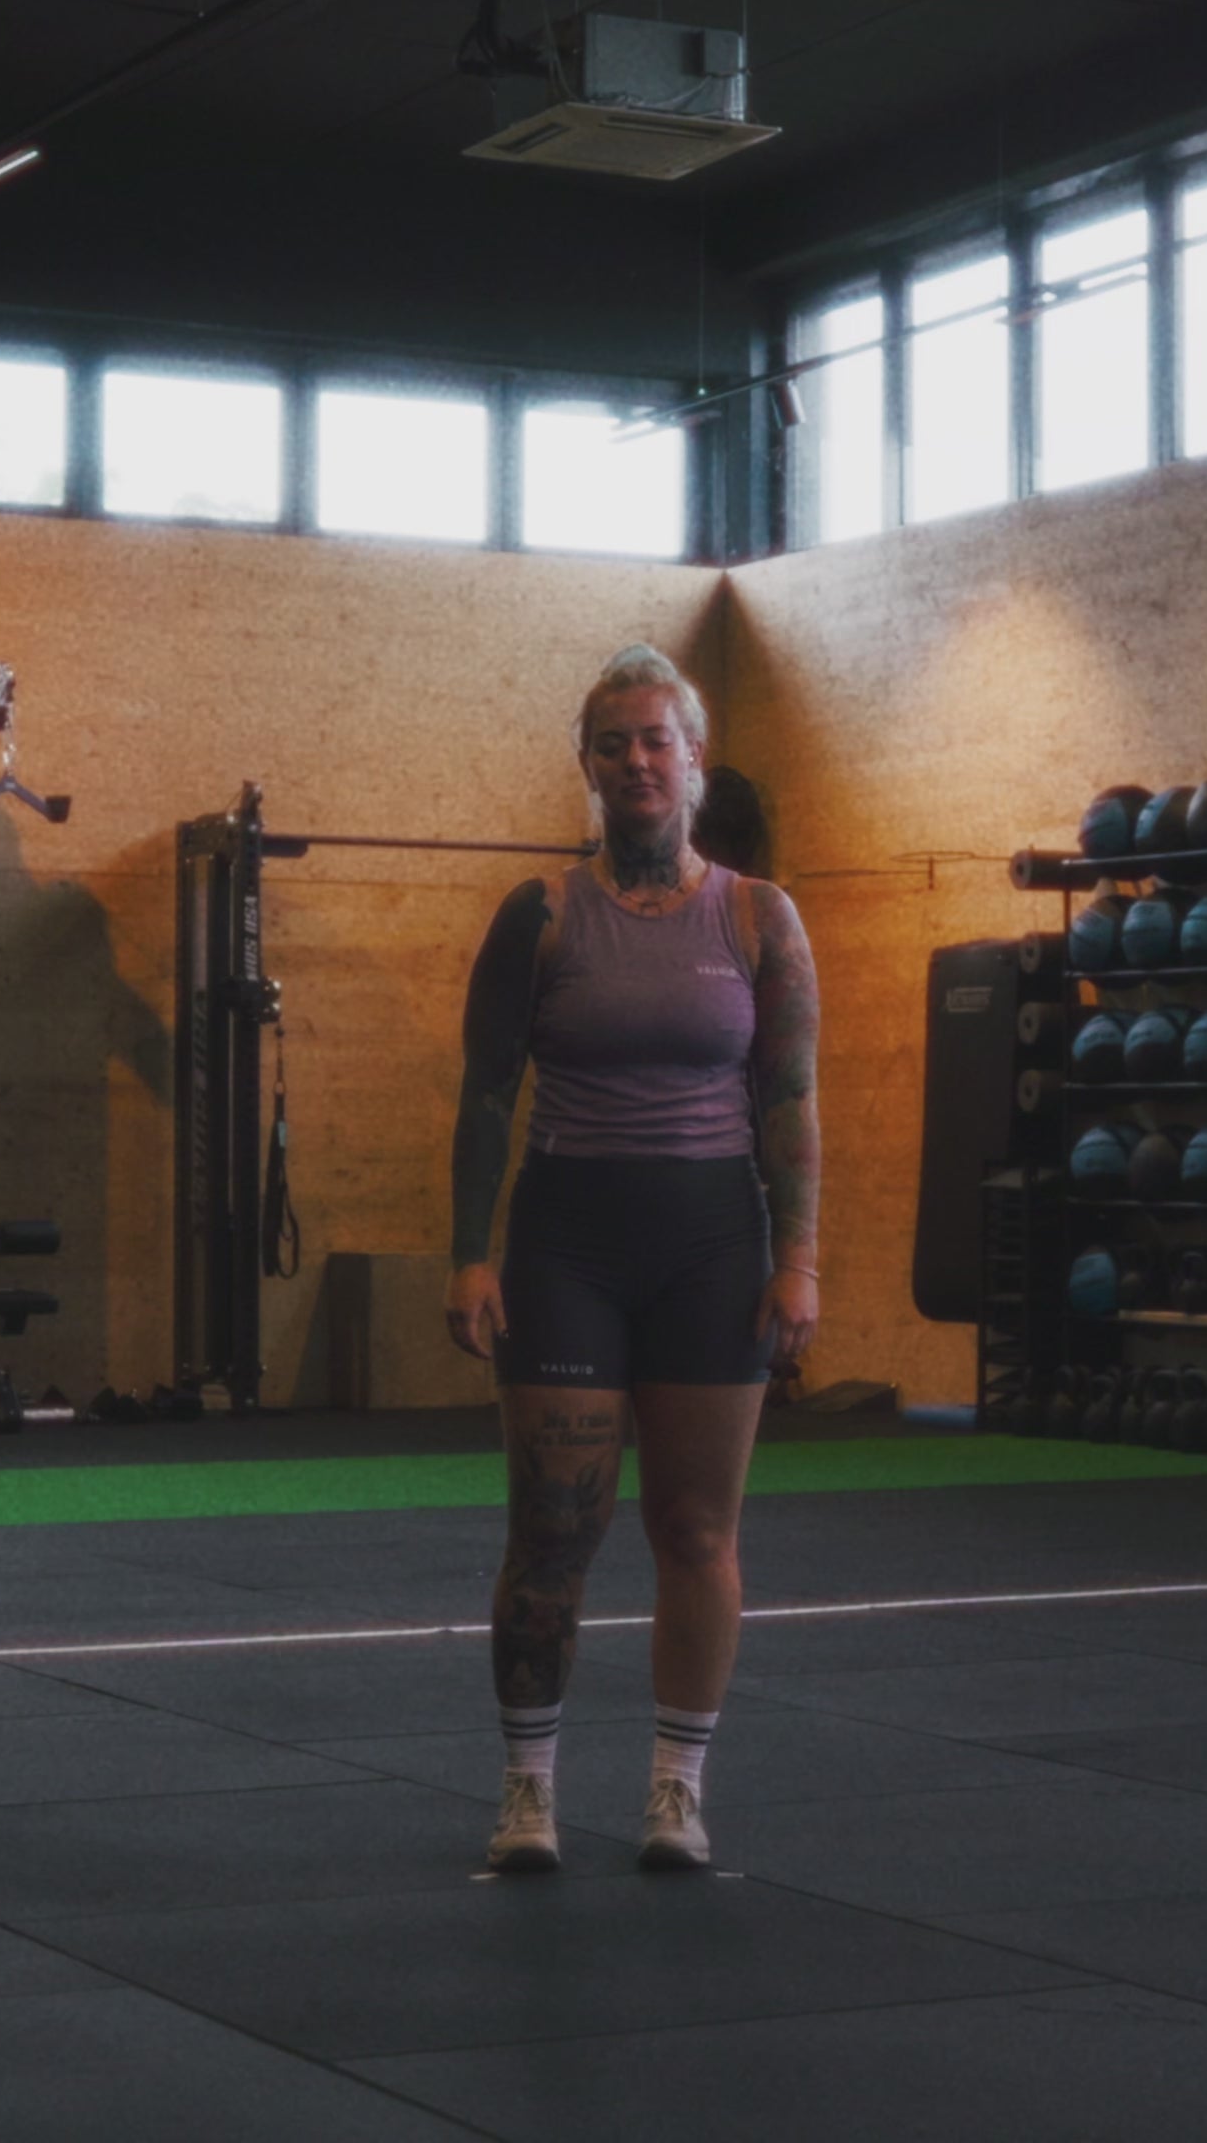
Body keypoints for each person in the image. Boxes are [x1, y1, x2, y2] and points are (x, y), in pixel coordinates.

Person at [443, 644, 821, 1875]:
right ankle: (527, 1792)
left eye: (659, 740)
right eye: (614, 744)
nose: (638, 762)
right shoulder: (543, 913)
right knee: (554, 1530)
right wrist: (470, 1255)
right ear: (589, 766)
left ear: (695, 760)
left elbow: (791, 1103)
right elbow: (488, 1094)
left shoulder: (760, 916)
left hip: (715, 1242)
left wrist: (799, 1258)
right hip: (570, 1243)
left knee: (697, 1530)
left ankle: (675, 1791)